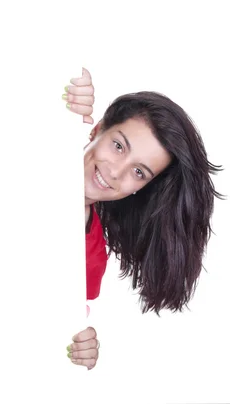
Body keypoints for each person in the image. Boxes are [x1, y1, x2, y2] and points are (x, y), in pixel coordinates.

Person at [62, 68, 223, 370]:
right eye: (119, 146)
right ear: (96, 130)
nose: (115, 172)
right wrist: (62, 95)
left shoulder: (91, 254)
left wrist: (75, 348)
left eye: (139, 172)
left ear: (142, 189)